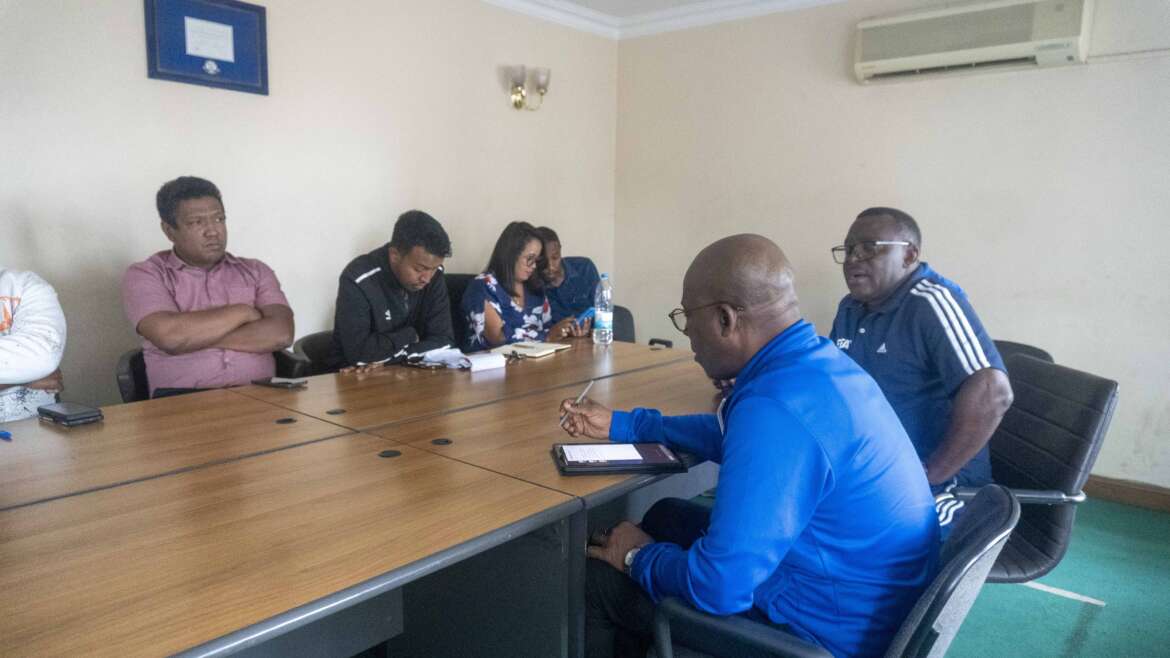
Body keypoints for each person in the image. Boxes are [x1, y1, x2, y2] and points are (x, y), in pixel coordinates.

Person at [562, 234, 939, 658]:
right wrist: (626, 424)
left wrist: (636, 557)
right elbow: (732, 436)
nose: (687, 333)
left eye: (687, 318)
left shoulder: (776, 408)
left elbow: (718, 587)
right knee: (665, 515)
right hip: (864, 602)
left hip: (816, 638)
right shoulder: (816, 366)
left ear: (726, 319)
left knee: (597, 579)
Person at [829, 207, 1013, 529]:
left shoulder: (931, 301)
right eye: (849, 249)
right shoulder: (850, 307)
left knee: (861, 538)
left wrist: (929, 475)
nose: (854, 258)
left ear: (909, 255)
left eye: (869, 247)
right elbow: (835, 382)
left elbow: (992, 392)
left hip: (943, 488)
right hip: (872, 468)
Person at [122, 176, 294, 398]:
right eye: (197, 222)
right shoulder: (146, 274)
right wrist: (243, 312)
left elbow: (281, 334)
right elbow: (171, 337)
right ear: (169, 231)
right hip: (183, 401)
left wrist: (191, 339)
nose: (213, 231)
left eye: (219, 219)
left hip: (262, 396)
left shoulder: (256, 271)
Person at [326, 210, 455, 370]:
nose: (427, 279)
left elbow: (444, 342)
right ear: (395, 255)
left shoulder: (434, 275)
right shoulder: (358, 278)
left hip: (409, 375)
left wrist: (393, 356)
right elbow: (359, 356)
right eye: (419, 269)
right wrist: (411, 335)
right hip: (352, 379)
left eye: (434, 269)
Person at [460, 221, 584, 352]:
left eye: (536, 260)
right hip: (493, 362)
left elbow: (548, 329)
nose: (534, 266)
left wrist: (567, 332)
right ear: (510, 255)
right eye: (529, 258)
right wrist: (546, 337)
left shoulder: (535, 289)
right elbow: (498, 339)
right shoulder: (482, 287)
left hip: (536, 361)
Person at [0, 268, 66, 421]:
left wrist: (33, 368)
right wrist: (25, 379)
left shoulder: (25, 285)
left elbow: (43, 357)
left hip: (39, 427)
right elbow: (37, 363)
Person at [535, 226, 601, 323]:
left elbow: (602, 310)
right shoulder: (534, 283)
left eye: (555, 258)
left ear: (560, 250)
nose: (550, 266)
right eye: (543, 261)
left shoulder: (584, 268)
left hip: (591, 331)